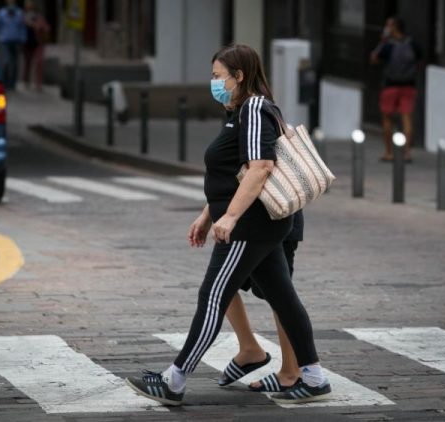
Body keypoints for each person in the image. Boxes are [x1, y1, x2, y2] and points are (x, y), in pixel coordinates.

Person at [125, 44, 331, 406]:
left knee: (213, 296)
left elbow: (260, 167)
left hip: (250, 226)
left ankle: (174, 380)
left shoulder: (252, 108)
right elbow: (233, 174)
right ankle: (313, 377)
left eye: (219, 76)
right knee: (283, 298)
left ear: (239, 77)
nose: (214, 83)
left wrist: (231, 217)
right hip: (259, 225)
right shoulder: (241, 110)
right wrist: (208, 214)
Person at [218, 209, 304, 393]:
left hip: (273, 213)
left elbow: (257, 178)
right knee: (221, 284)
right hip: (245, 218)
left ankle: (291, 371)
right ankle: (249, 349)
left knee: (280, 294)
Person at [370, 16, 423, 162]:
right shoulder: (412, 43)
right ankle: (406, 153)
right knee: (407, 118)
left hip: (390, 86)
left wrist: (382, 41)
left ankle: (389, 152)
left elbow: (374, 58)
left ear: (394, 28)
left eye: (388, 26)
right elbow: (419, 61)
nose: (387, 28)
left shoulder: (388, 45)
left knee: (387, 118)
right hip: (408, 86)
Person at [0, 0, 26, 91]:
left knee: (15, 63)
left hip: (16, 41)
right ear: (6, 3)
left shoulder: (19, 13)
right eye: (9, 2)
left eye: (13, 2)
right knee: (6, 61)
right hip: (5, 41)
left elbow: (22, 27)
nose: (11, 4)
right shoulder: (1, 13)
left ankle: (13, 83)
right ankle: (5, 82)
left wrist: (23, 39)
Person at [22, 3, 51, 91]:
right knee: (28, 62)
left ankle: (38, 84)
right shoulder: (23, 18)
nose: (31, 12)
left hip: (38, 43)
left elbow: (47, 28)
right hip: (27, 43)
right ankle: (26, 81)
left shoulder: (39, 18)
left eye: (33, 10)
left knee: (39, 63)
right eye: (29, 10)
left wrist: (36, 25)